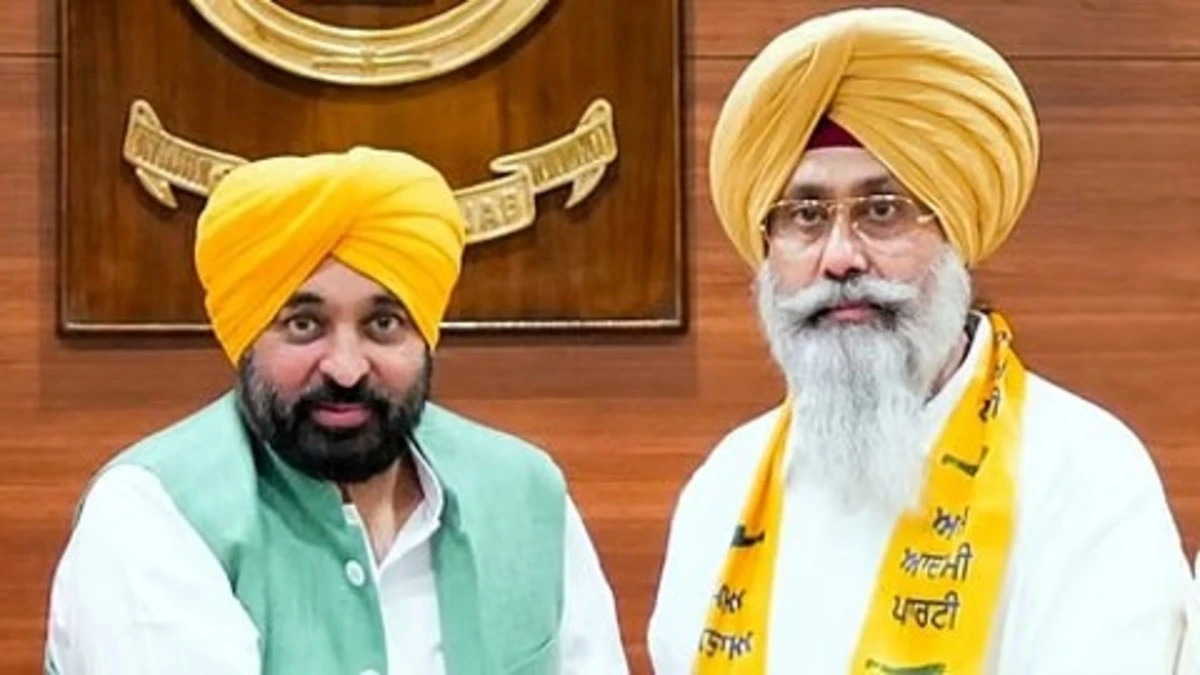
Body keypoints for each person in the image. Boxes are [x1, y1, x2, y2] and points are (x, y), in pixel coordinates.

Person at [647, 7, 1191, 674]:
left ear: (955, 234)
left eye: (882, 211)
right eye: (805, 216)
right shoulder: (725, 486)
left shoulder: (1081, 472)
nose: (840, 258)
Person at [44, 147, 629, 674]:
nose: (346, 368)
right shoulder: (152, 512)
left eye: (383, 324)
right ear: (245, 337)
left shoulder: (525, 494)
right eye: (304, 325)